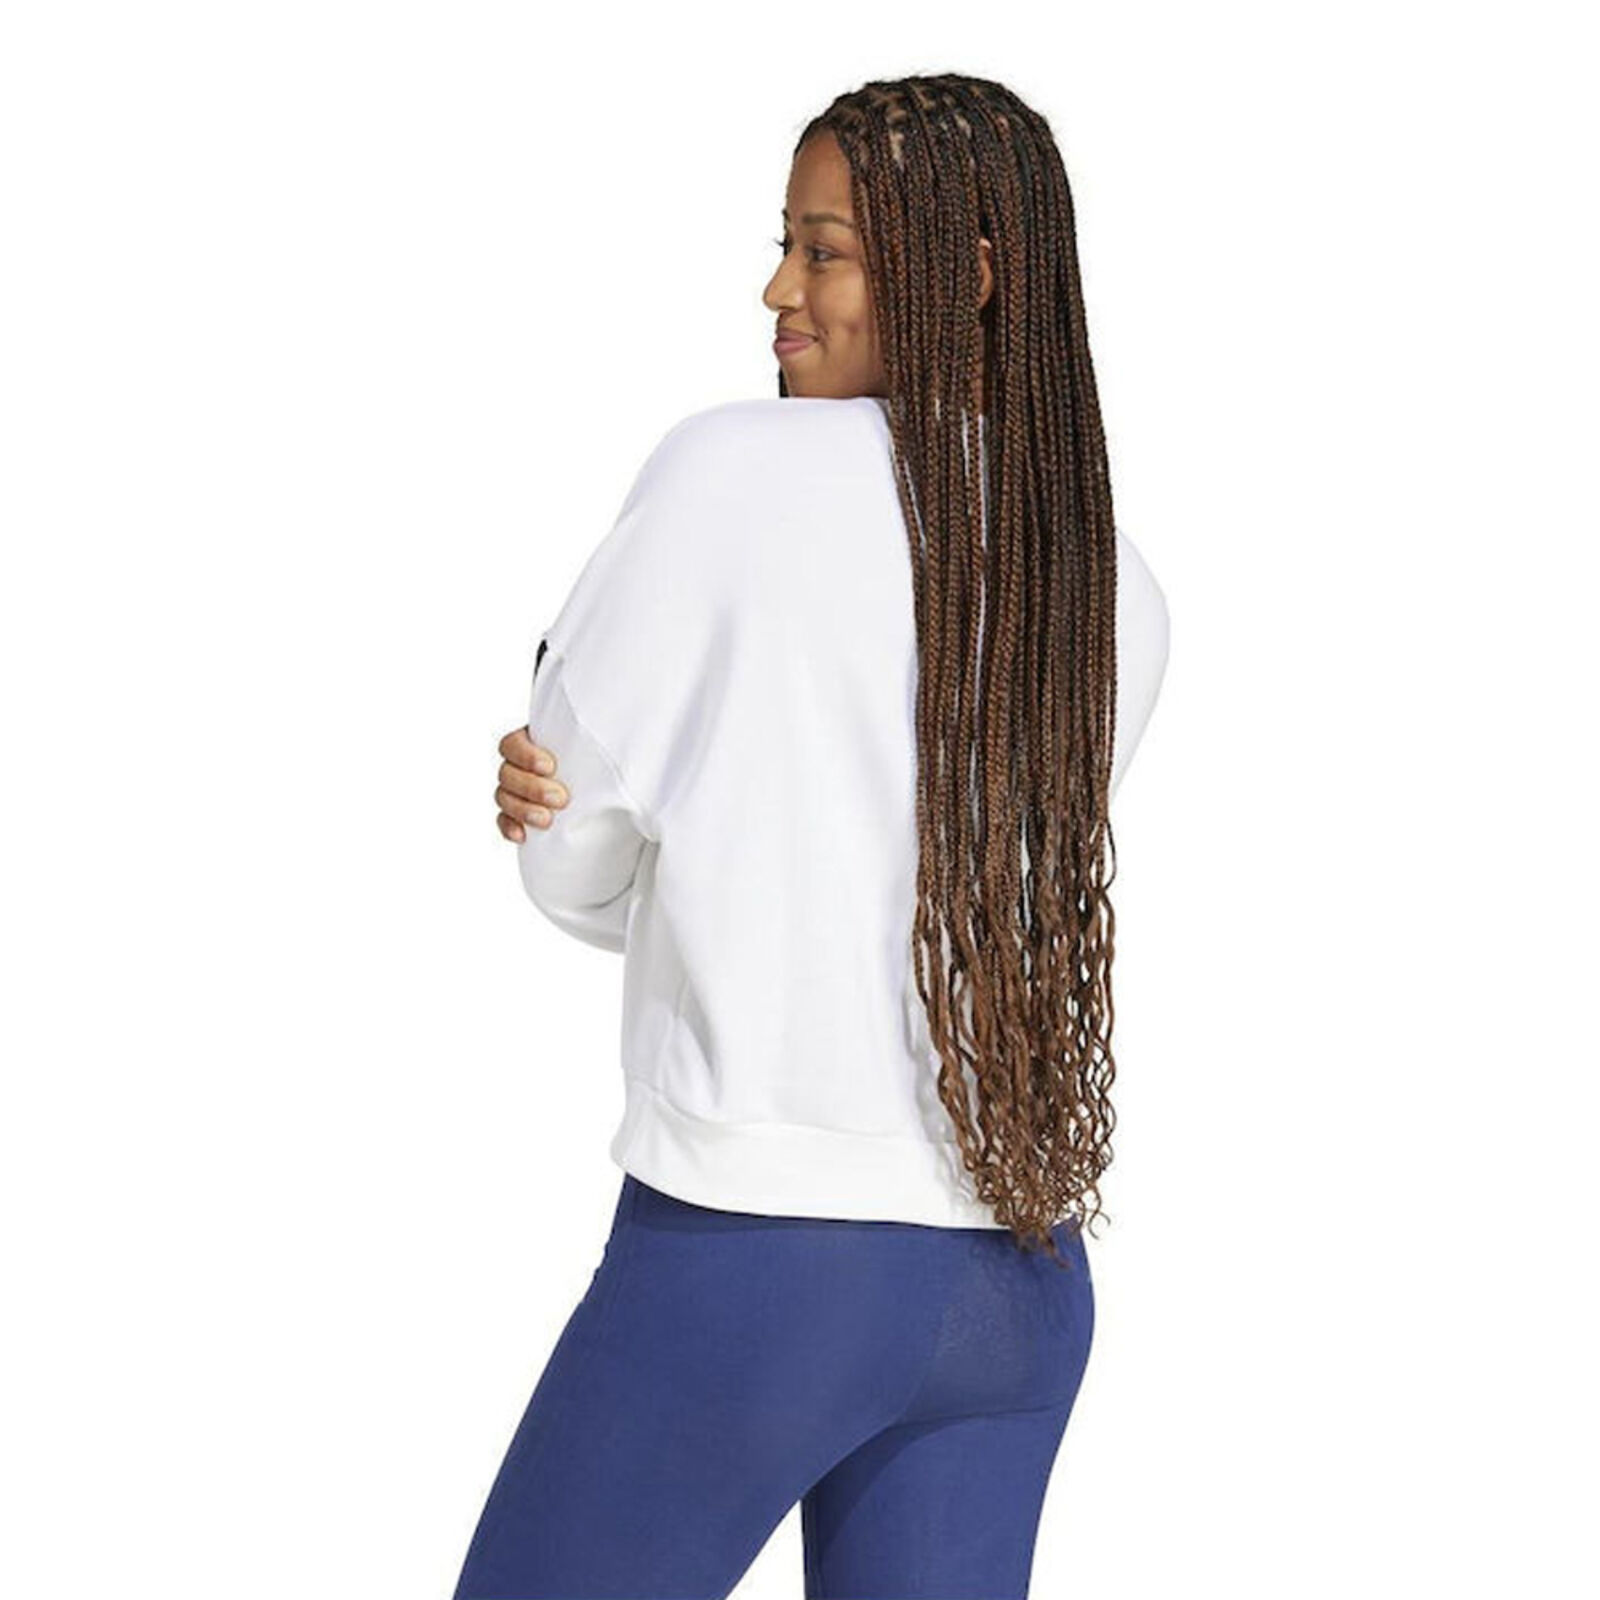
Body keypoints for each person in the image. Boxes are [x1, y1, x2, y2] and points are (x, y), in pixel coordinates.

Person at [453, 73, 1171, 1600]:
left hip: (758, 1268)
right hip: (1015, 1282)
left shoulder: (730, 476)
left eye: (824, 251)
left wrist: (618, 826)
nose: (778, 289)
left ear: (970, 271)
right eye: (786, 244)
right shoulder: (1101, 579)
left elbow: (573, 856)